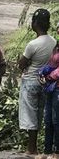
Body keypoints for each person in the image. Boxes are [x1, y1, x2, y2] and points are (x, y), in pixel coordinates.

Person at [18, 9, 56, 155]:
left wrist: (23, 62)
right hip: (46, 83)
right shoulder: (53, 42)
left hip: (31, 82)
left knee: (30, 116)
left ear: (35, 24)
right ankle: (38, 148)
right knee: (41, 114)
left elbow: (22, 64)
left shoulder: (32, 44)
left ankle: (31, 148)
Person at [38, 23, 59, 159]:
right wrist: (43, 72)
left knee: (56, 120)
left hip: (57, 87)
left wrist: (50, 77)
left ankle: (57, 152)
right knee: (48, 119)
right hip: (51, 87)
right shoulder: (56, 46)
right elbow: (52, 64)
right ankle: (47, 151)